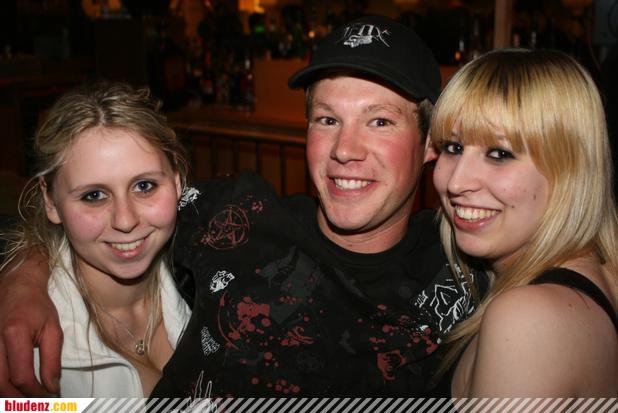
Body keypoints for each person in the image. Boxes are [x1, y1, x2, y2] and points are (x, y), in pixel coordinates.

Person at [0, 16, 480, 397]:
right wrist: (22, 282)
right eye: (327, 119)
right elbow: (103, 218)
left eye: (380, 122)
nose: (345, 149)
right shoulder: (235, 214)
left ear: (430, 143)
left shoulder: (466, 270)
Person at [428, 49, 618, 396]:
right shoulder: (603, 272)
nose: (456, 182)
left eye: (499, 154)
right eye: (453, 147)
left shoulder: (528, 319)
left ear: (570, 169)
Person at [0, 82, 192, 396]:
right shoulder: (24, 352)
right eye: (94, 195)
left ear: (177, 180)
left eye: (144, 186)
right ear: (50, 201)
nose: (125, 221)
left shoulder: (214, 271)